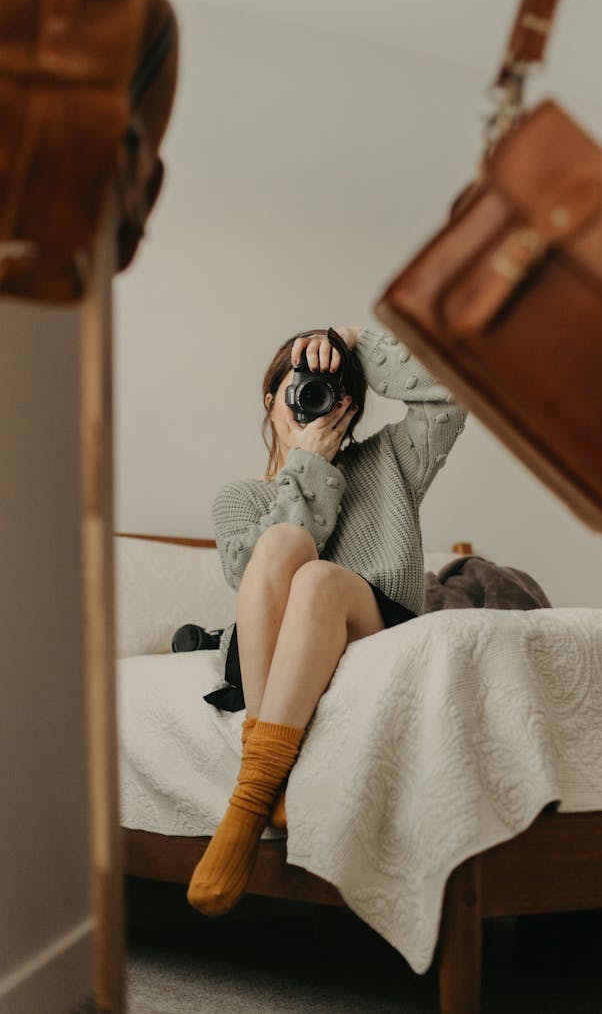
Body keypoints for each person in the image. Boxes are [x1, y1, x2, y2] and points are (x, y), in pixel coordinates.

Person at [187, 325, 466, 916]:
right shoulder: (237, 498)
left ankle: (252, 791)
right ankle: (269, 778)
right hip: (271, 639)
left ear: (351, 407)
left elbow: (451, 394)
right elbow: (255, 581)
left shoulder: (390, 460)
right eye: (301, 388)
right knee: (289, 554)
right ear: (272, 402)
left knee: (319, 577)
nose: (312, 401)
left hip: (368, 625)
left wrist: (355, 343)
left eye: (329, 391)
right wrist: (305, 467)